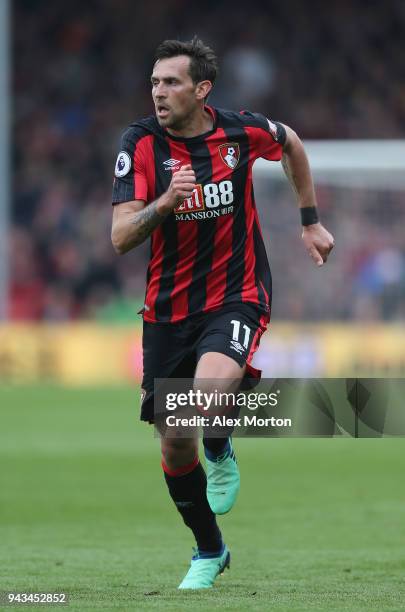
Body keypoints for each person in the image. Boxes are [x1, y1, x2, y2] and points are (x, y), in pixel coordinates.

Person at [111, 37, 334, 589]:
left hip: (236, 292)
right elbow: (119, 237)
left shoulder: (239, 130)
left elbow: (292, 143)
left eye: (171, 83)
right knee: (171, 438)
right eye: (155, 82)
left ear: (202, 89)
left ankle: (219, 440)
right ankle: (210, 549)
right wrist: (166, 201)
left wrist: (309, 219)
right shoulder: (139, 143)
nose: (158, 92)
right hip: (166, 310)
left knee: (206, 401)